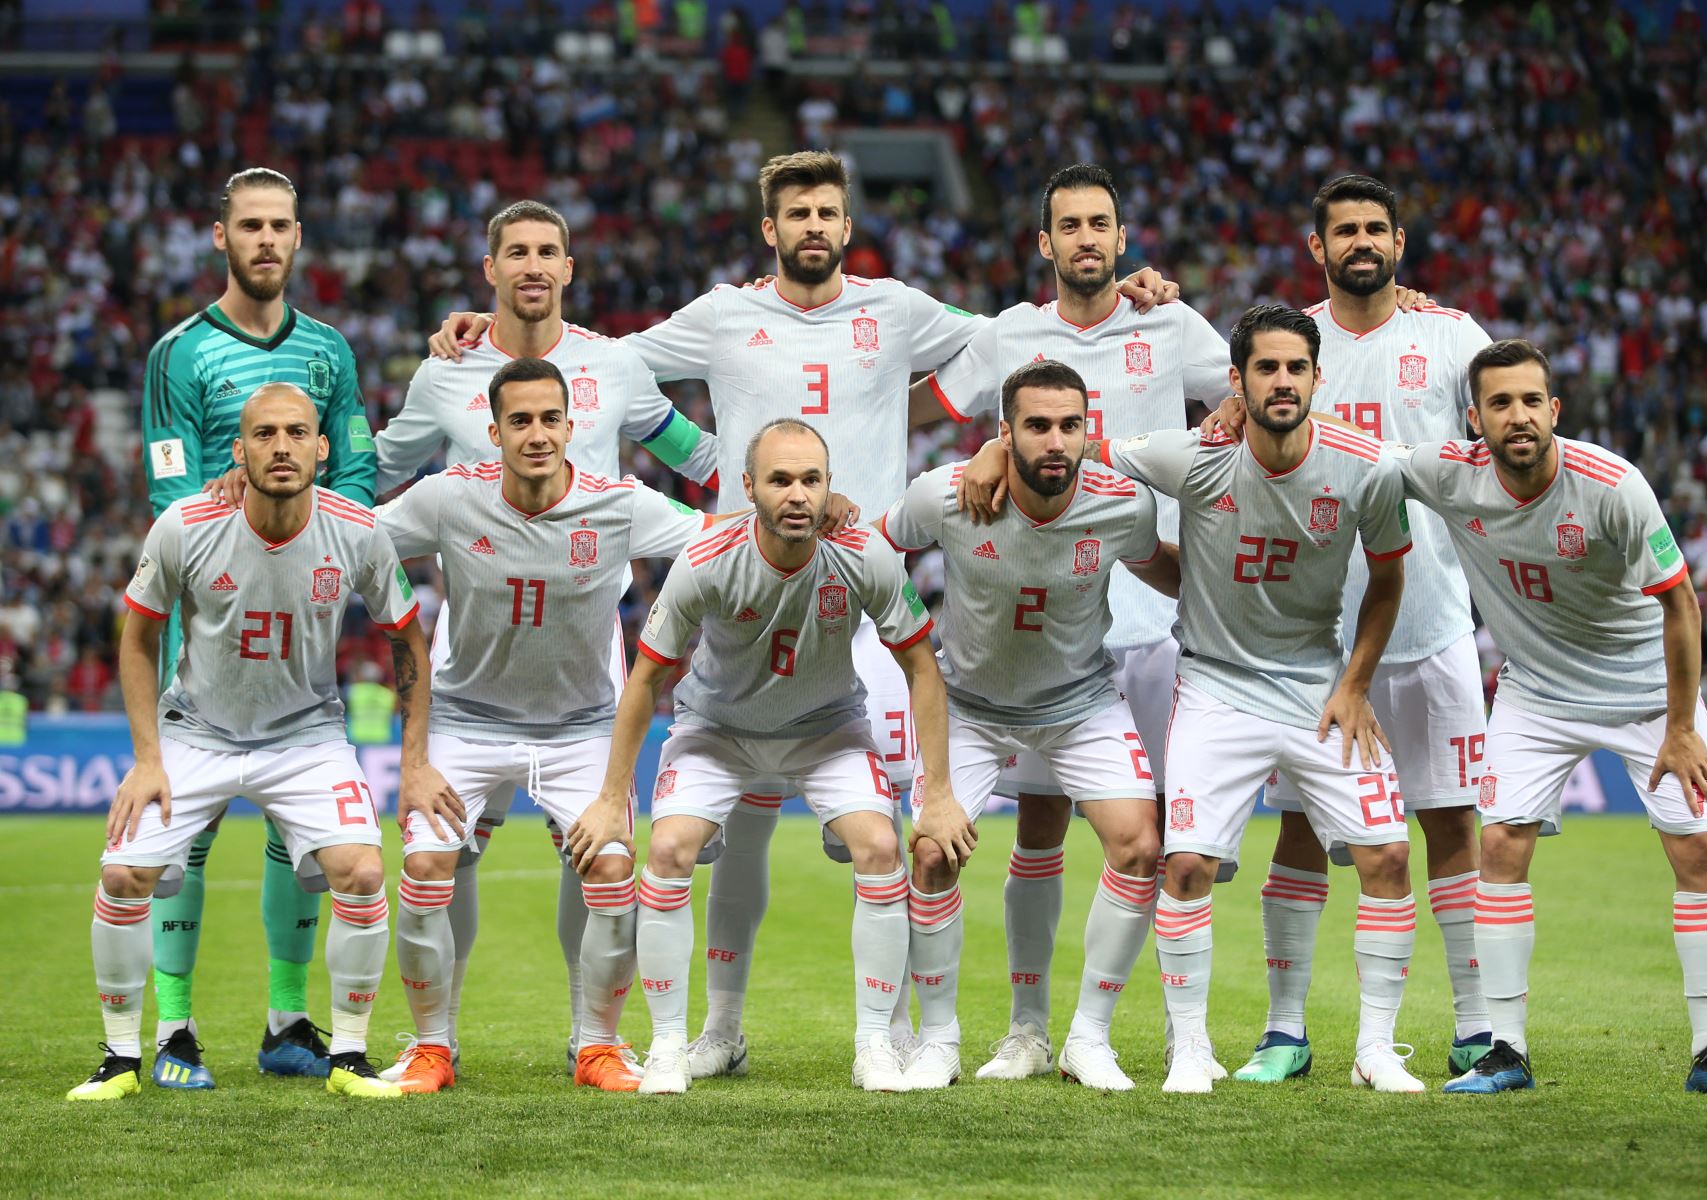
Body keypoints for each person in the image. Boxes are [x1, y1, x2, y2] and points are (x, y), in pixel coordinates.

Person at [428, 151, 1179, 1076]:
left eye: (829, 210)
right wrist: (497, 328)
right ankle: (721, 1030)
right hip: (748, 590)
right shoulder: (720, 314)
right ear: (769, 231)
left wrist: (1030, 405)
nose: (815, 226)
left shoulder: (897, 310)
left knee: (900, 830)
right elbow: (607, 364)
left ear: (848, 225)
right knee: (736, 825)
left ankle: (899, 1033)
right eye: (799, 213)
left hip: (867, 593)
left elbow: (1022, 343)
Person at [372, 200, 718, 1080]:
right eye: (514, 252)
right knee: (436, 862)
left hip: (583, 695)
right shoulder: (445, 374)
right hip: (469, 692)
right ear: (489, 269)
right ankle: (430, 1045)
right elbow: (371, 480)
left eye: (547, 252)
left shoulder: (616, 364)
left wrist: (806, 485)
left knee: (601, 866)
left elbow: (705, 460)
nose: (532, 265)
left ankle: (595, 1039)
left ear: (569, 267)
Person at [918, 163, 1232, 1079]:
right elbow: (935, 407)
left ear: (1124, 238)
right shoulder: (1011, 333)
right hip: (1057, 625)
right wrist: (981, 443)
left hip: (1163, 613)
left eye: (1103, 222)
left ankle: (1183, 1031)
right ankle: (1028, 1027)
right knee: (1043, 829)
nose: (1088, 238)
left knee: (1173, 840)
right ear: (1045, 243)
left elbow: (1254, 385)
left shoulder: (1169, 323)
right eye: (1070, 225)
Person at [1390, 338, 1707, 1098]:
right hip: (1536, 695)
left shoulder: (1612, 484)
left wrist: (1683, 726)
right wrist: (1240, 414)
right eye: (1500, 404)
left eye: (1531, 401)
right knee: (1500, 845)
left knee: (1696, 855)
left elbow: (1681, 602)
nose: (1518, 416)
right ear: (1475, 419)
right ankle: (1505, 1051)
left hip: (1648, 694)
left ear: (1554, 409)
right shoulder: (1448, 475)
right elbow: (1355, 452)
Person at [566, 418, 966, 1094]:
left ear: (829, 486)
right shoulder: (708, 558)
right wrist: (611, 799)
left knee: (880, 848)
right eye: (780, 479)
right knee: (666, 852)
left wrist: (939, 791)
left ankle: (873, 1043)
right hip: (718, 730)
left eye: (812, 479)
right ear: (747, 486)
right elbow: (645, 678)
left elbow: (923, 668)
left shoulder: (863, 554)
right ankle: (670, 1044)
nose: (798, 494)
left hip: (826, 728)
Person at [70, 384, 435, 1101]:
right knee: (121, 878)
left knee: (362, 873)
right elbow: (138, 639)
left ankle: (350, 1059)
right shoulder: (185, 524)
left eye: (297, 433)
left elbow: (407, 640)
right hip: (196, 731)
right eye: (263, 434)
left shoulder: (357, 530)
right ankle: (121, 1057)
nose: (281, 447)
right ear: (238, 451)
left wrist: (416, 762)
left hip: (304, 736)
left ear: (321, 448)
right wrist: (147, 759)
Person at [1097, 304, 1421, 1094]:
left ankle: (1375, 1050)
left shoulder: (1366, 466)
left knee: (1386, 856)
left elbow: (1386, 581)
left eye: (1296, 368)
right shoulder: (1193, 456)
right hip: (1214, 686)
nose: (1283, 381)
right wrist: (999, 453)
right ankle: (1189, 1050)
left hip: (1320, 688)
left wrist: (1355, 683)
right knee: (1185, 867)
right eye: (1265, 368)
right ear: (1235, 381)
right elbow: (1087, 453)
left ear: (1318, 376)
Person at [1233, 175, 1499, 1083]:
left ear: (1399, 241)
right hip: (1316, 638)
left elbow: (1512, 424)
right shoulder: (1292, 347)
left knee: (1452, 826)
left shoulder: (1451, 335)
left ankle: (1476, 1027)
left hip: (1431, 623)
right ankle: (1284, 1032)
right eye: (1343, 229)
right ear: (1317, 248)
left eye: (1376, 228)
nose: (1361, 242)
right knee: (1303, 829)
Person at [139, 168, 377, 1088]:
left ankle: (287, 1022)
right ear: (220, 237)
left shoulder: (326, 351)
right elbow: (167, 488)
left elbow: (353, 472)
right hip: (206, 608)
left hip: (300, 612)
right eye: (251, 226)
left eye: (281, 226)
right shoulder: (180, 354)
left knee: (294, 826)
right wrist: (232, 535)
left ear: (300, 237)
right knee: (181, 836)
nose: (267, 240)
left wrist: (317, 548)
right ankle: (173, 1032)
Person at [877, 359, 1175, 1090]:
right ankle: (940, 1041)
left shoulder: (1122, 506)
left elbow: (1166, 569)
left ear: (1087, 432)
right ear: (1004, 435)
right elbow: (876, 549)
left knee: (1140, 846)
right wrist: (903, 633)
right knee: (933, 853)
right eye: (1037, 426)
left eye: (1069, 426)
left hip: (1079, 702)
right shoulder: (945, 495)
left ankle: (1085, 1039)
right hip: (969, 708)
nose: (1055, 441)